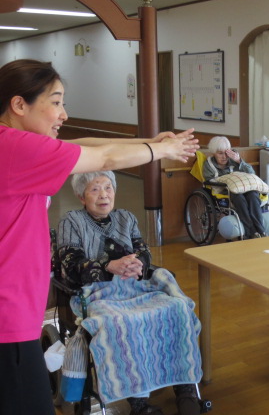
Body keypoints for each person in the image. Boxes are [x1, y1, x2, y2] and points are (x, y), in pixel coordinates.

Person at [0, 59, 198, 415]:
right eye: (56, 101)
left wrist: (147, 141)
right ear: (19, 105)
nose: (63, 113)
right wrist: (162, 151)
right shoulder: (14, 148)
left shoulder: (16, 144)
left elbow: (86, 144)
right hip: (7, 315)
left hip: (16, 309)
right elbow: (102, 156)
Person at [57, 172, 202, 415]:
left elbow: (143, 252)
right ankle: (139, 403)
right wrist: (107, 266)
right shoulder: (71, 221)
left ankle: (185, 388)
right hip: (97, 293)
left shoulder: (126, 217)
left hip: (136, 287)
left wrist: (139, 264)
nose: (104, 194)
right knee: (123, 323)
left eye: (108, 187)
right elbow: (71, 265)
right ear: (82, 197)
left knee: (177, 309)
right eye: (95, 189)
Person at [202, 136, 266, 239]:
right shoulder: (209, 164)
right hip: (224, 192)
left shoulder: (234, 159)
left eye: (226, 153)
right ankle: (251, 232)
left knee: (253, 195)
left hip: (244, 188)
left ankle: (261, 230)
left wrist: (239, 161)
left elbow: (251, 173)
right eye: (220, 153)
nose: (224, 157)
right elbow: (209, 181)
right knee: (239, 198)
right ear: (214, 153)